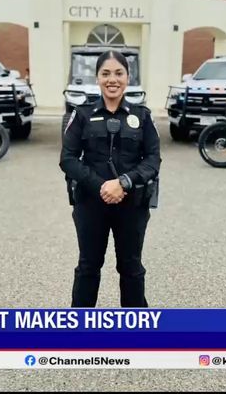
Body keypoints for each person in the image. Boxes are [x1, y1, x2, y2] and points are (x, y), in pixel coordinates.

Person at [59, 50, 161, 308]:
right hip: (91, 204)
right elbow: (68, 159)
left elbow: (153, 159)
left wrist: (125, 182)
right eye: (105, 74)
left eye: (118, 73)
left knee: (131, 266)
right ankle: (80, 330)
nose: (112, 79)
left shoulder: (143, 115)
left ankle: (136, 330)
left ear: (128, 77)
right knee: (88, 266)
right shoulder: (81, 115)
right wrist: (102, 186)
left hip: (132, 205)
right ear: (97, 78)